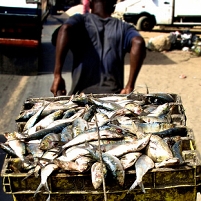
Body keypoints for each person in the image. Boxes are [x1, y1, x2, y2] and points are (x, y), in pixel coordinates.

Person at [50, 0, 146, 96]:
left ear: (91, 4)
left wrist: (57, 75)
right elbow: (138, 42)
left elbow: (65, 29)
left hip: (82, 95)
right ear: (113, 8)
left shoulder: (80, 21)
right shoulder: (124, 27)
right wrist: (130, 86)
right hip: (113, 96)